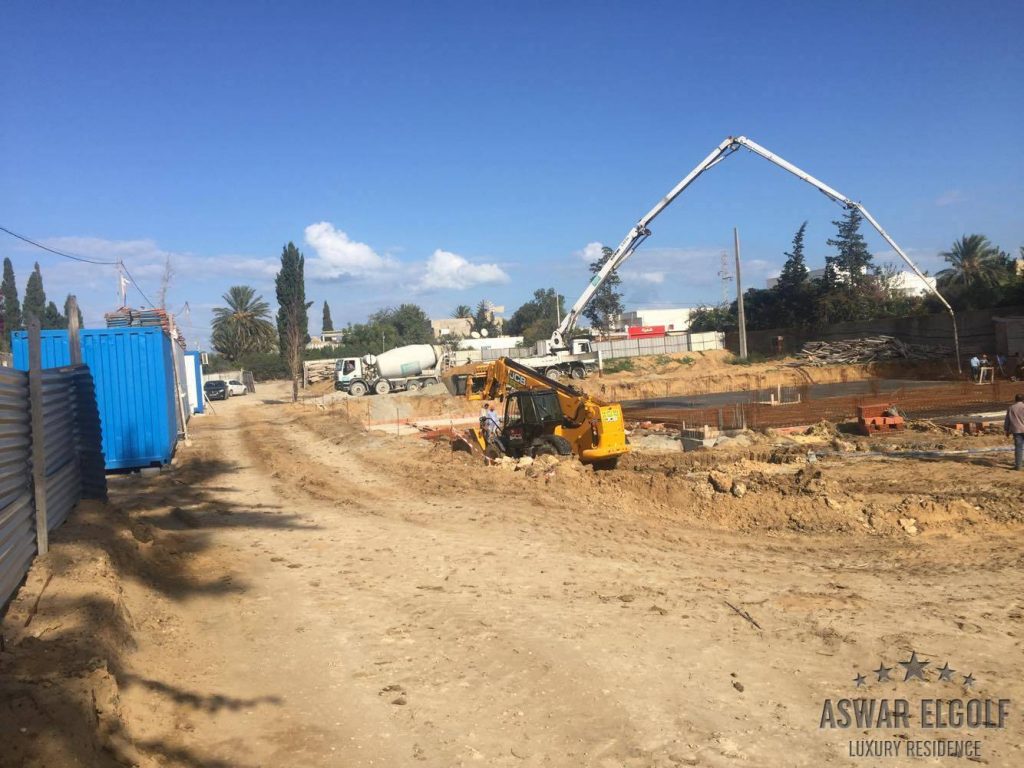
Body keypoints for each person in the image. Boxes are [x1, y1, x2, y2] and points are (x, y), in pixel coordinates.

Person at [1005, 394, 1024, 471]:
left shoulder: (1011, 408)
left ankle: (1018, 466)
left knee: (1018, 448)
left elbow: (1007, 420)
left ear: (1015, 399)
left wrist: (1007, 430)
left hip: (1016, 431)